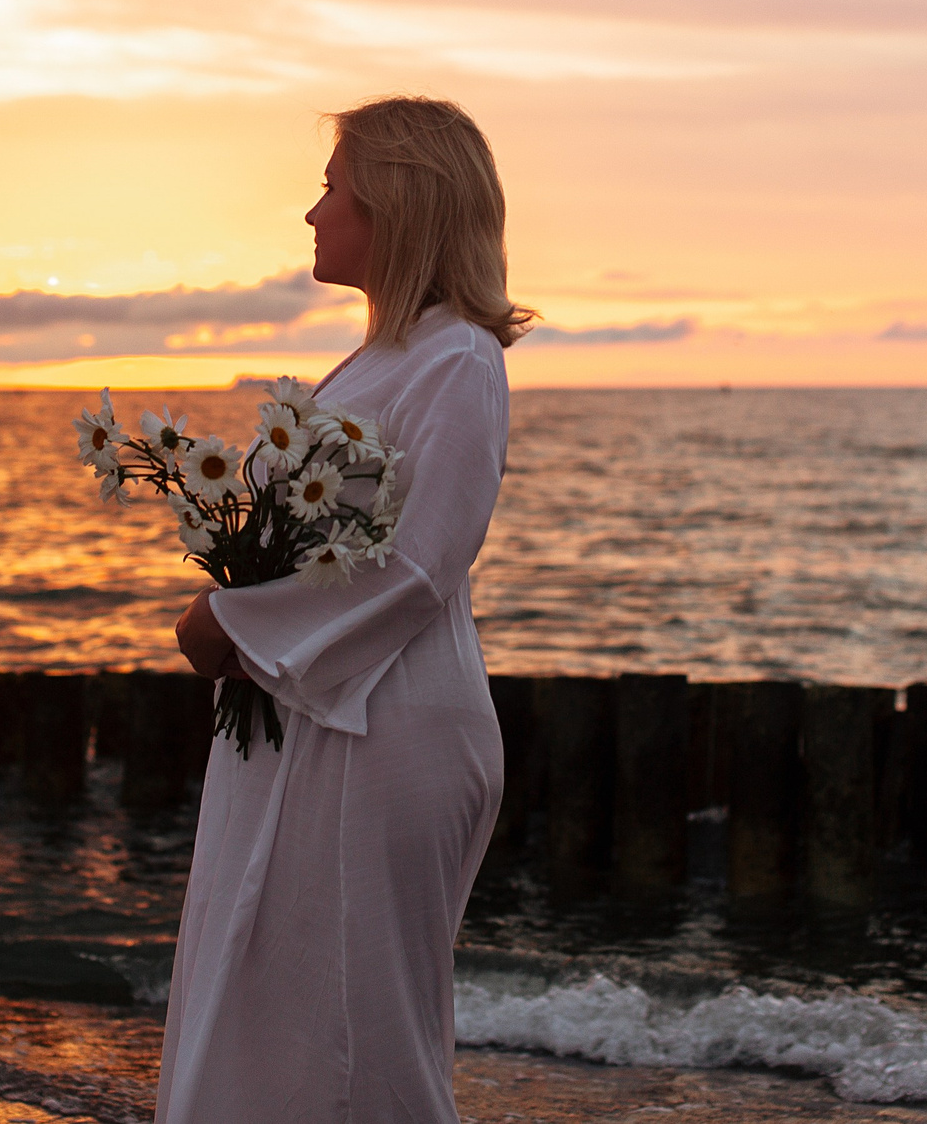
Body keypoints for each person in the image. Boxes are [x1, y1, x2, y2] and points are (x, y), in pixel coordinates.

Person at [155, 95, 536, 1124]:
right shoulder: (383, 357)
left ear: (396, 203)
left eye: (333, 188)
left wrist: (232, 625)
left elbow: (422, 562)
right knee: (261, 996)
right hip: (305, 714)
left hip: (385, 725)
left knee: (360, 1028)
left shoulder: (458, 359)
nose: (313, 212)